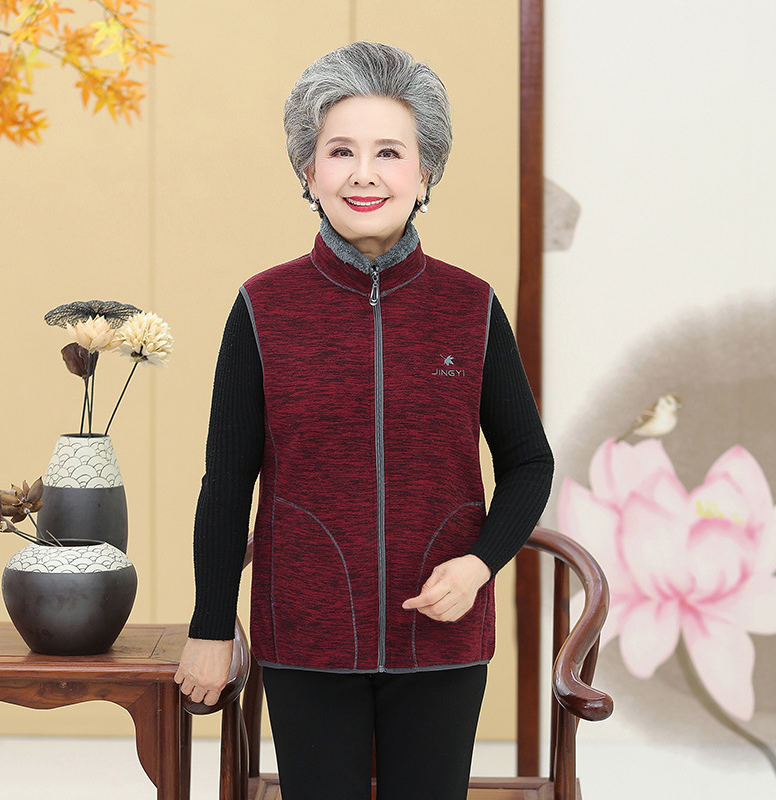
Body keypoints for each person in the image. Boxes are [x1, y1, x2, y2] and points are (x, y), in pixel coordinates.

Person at [175, 41, 554, 800]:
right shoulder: (263, 308)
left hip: (442, 638)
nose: (364, 173)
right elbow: (227, 482)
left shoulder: (471, 306)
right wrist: (211, 627)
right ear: (307, 171)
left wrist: (479, 565)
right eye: (340, 150)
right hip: (304, 637)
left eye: (389, 152)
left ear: (426, 172)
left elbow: (529, 462)